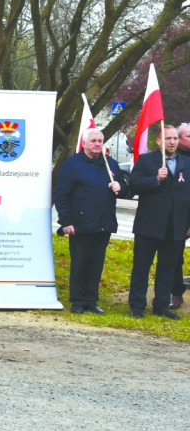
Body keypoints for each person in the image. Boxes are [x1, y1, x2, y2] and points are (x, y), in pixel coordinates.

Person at [54, 129, 128, 314]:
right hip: (80, 224)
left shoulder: (110, 164)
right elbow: (62, 195)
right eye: (93, 140)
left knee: (96, 265)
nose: (97, 144)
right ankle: (77, 301)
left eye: (100, 141)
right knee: (80, 264)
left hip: (103, 223)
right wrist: (66, 221)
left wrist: (121, 186)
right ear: (84, 143)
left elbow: (124, 187)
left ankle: (91, 300)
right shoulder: (73, 164)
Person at [127, 125, 190, 320]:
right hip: (149, 225)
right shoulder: (146, 161)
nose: (172, 142)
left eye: (174, 139)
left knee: (167, 268)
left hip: (176, 226)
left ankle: (161, 305)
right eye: (168, 138)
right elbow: (133, 185)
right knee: (141, 267)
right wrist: (155, 179)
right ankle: (137, 305)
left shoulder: (187, 163)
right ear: (158, 141)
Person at [170, 122, 190, 308]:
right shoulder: (174, 159)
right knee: (175, 256)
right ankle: (176, 292)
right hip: (178, 219)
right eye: (188, 137)